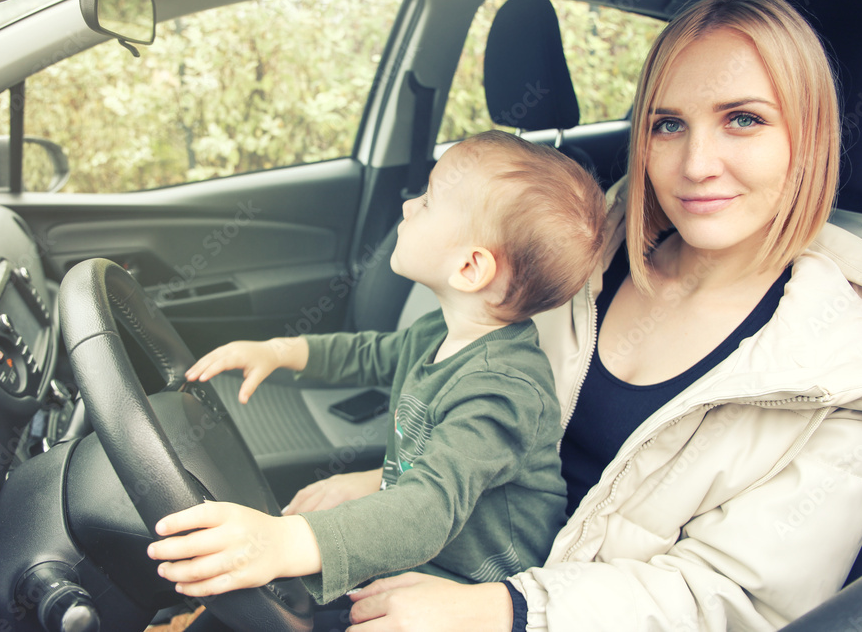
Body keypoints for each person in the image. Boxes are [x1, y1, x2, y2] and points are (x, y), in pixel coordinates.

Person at [336, 0, 862, 632]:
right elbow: (489, 421)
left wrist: (504, 610)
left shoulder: (846, 377)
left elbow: (728, 602)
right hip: (453, 568)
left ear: (810, 137)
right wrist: (389, 485)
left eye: (744, 119)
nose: (697, 165)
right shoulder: (584, 256)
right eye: (668, 124)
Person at [147, 130, 608, 606]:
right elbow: (370, 355)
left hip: (470, 588)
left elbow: (427, 509)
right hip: (424, 555)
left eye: (428, 201)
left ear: (470, 269)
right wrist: (280, 351)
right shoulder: (442, 332)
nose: (409, 206)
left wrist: (286, 542)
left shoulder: (502, 392)